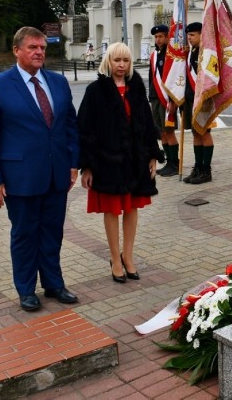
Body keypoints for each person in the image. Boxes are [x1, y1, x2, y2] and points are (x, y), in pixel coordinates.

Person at [0, 26, 80, 312]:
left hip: (57, 174)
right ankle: (26, 289)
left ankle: (54, 284)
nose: (39, 52)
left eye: (42, 48)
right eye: (33, 47)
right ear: (17, 50)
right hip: (19, 178)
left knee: (52, 231)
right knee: (25, 233)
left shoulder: (58, 83)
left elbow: (70, 125)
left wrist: (73, 163)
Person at [78, 42, 163, 283]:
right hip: (107, 162)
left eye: (126, 60)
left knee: (132, 208)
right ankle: (115, 258)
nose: (122, 65)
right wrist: (87, 165)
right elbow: (84, 129)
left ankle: (129, 256)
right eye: (117, 60)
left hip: (135, 160)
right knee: (113, 210)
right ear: (108, 62)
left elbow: (147, 123)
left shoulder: (136, 87)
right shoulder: (96, 90)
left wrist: (152, 155)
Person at [181, 22, 215, 184]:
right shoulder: (191, 52)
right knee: (195, 133)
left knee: (204, 133)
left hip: (203, 100)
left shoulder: (206, 53)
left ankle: (206, 171)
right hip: (190, 99)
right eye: (188, 35)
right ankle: (198, 167)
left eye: (193, 35)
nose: (189, 38)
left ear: (202, 35)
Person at [149, 25, 179, 177]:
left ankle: (175, 163)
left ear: (167, 37)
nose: (158, 39)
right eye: (156, 37)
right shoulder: (155, 55)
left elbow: (175, 80)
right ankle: (169, 162)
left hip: (167, 99)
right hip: (155, 98)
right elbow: (151, 78)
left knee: (169, 131)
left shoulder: (171, 55)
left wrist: (173, 101)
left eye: (161, 36)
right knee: (161, 132)